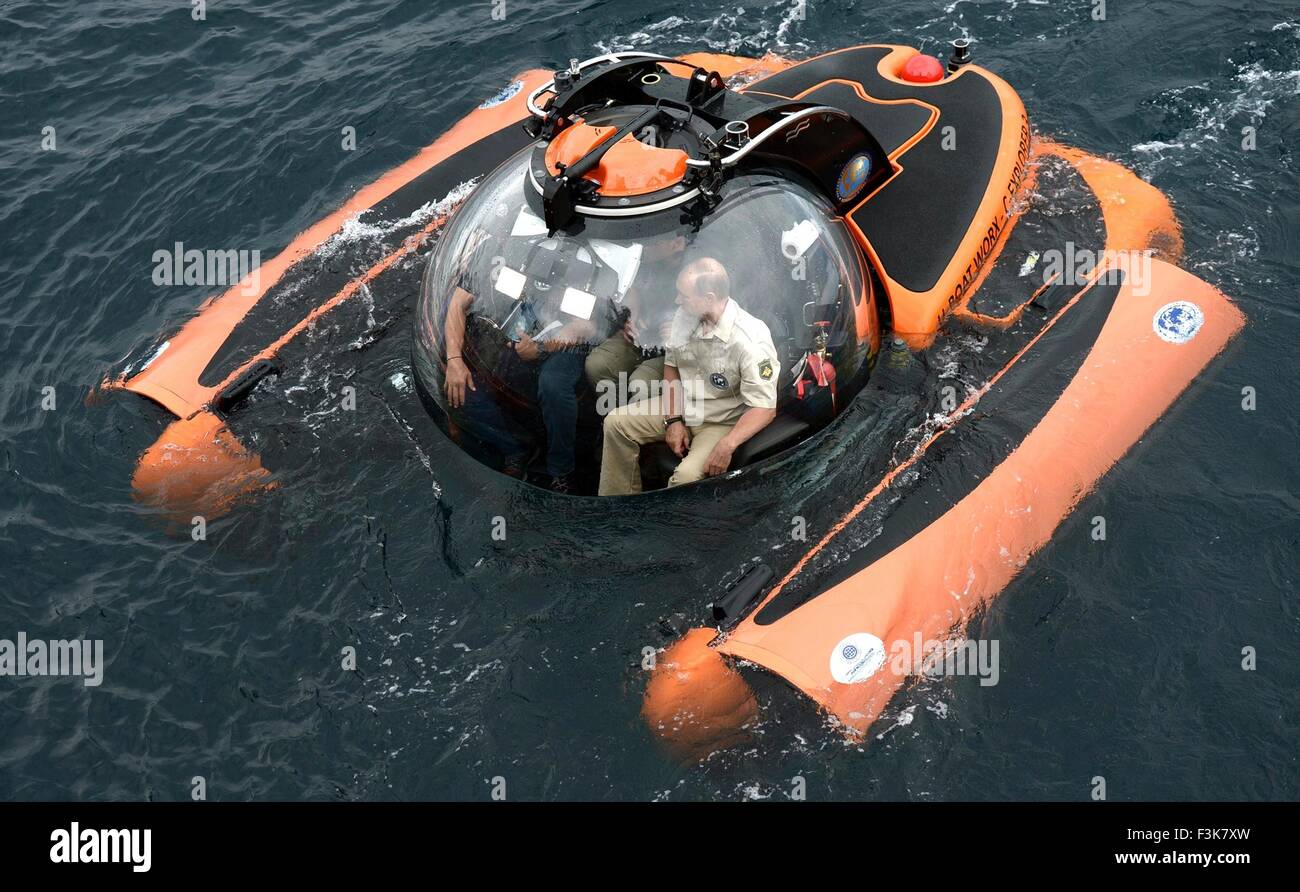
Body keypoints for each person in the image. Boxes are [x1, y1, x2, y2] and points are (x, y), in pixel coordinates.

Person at [598, 256, 780, 496]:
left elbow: (764, 408)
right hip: (686, 404)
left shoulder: (750, 340)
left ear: (709, 299)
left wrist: (728, 444)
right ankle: (618, 504)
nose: (677, 300)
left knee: (685, 477)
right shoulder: (684, 316)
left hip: (721, 421)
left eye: (683, 295)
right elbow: (672, 366)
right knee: (616, 423)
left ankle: (671, 519)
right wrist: (673, 420)